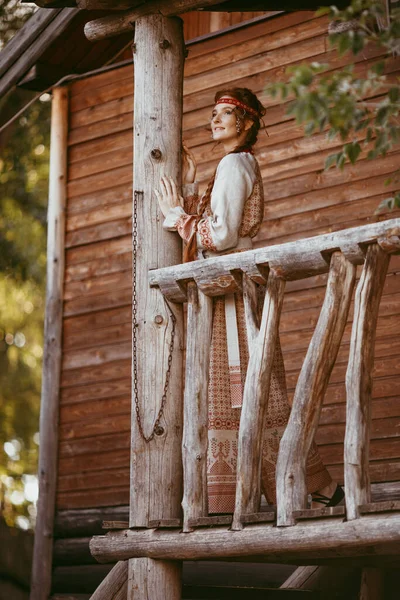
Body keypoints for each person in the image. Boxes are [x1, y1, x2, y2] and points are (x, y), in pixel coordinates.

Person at [155, 88, 343, 513]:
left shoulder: (235, 164)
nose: (214, 120)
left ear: (245, 123)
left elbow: (220, 236)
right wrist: (188, 183)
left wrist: (176, 216)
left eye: (225, 114)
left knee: (253, 388)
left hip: (232, 292)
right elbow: (219, 226)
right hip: (231, 290)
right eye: (213, 114)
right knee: (250, 387)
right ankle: (301, 486)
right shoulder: (232, 165)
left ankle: (299, 487)